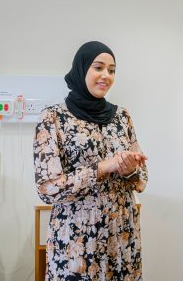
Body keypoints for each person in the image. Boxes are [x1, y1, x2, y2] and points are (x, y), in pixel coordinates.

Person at [33, 41, 148, 281]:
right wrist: (103, 167)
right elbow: (47, 188)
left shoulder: (122, 117)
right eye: (98, 67)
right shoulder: (53, 118)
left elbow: (141, 180)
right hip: (75, 242)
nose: (106, 75)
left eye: (112, 70)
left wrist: (129, 170)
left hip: (121, 238)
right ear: (81, 69)